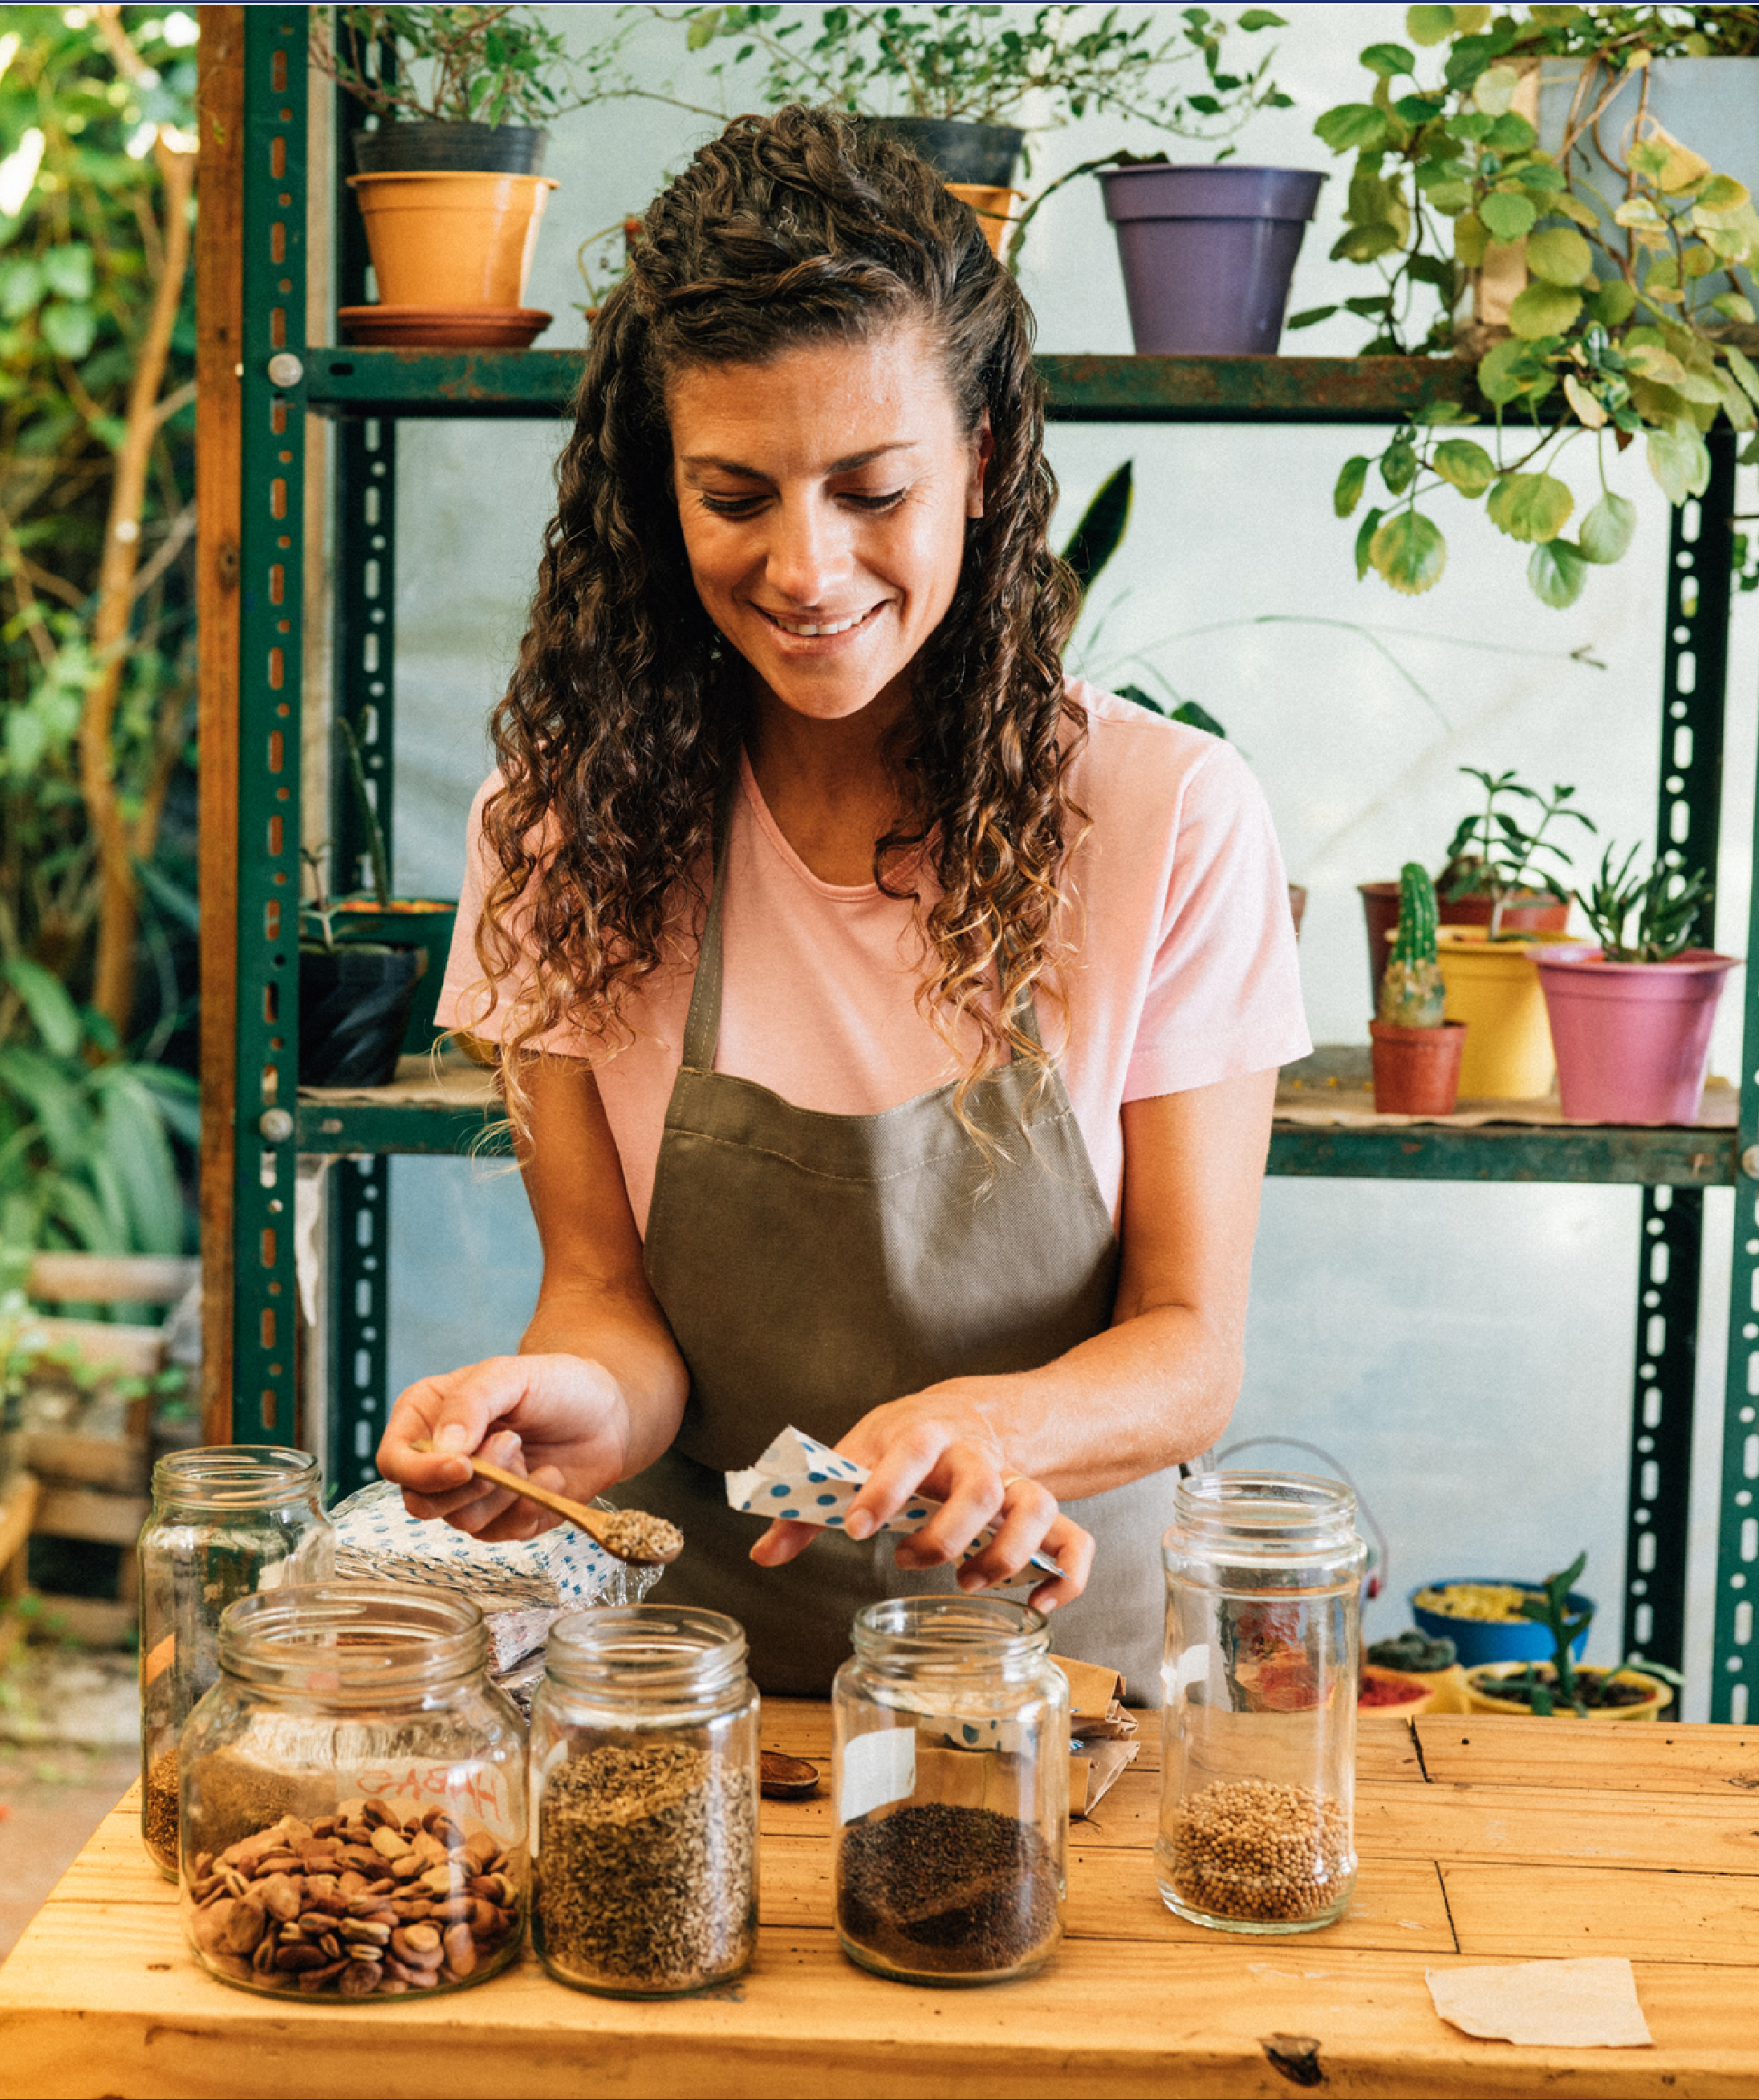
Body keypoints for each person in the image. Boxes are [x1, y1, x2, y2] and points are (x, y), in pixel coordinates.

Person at [376, 108, 1306, 1692]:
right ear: (656, 494)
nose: (807, 568)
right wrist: (569, 1411)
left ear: (982, 467)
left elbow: (1186, 1348)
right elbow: (608, 1308)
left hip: (1063, 1704)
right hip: (699, 1711)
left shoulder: (1165, 821)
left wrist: (998, 1424)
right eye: (736, 496)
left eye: (872, 488)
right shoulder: (558, 834)